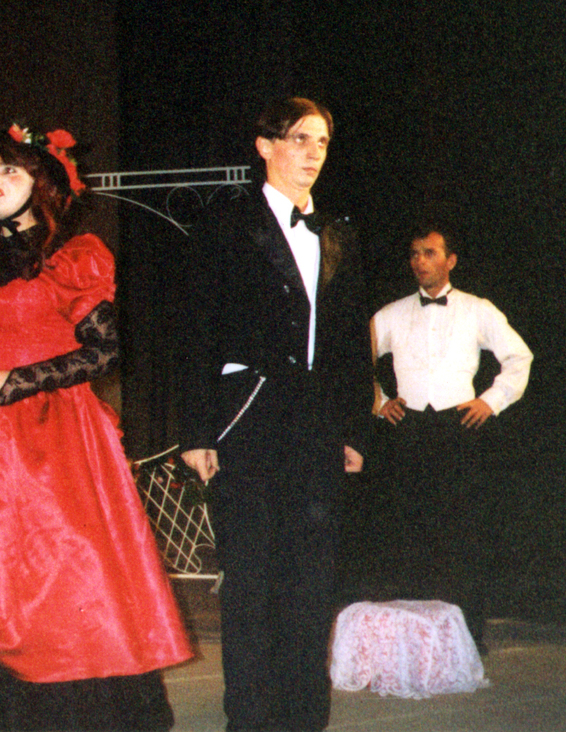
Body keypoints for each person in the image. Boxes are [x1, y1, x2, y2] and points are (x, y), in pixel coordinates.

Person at [0, 124, 193, 731]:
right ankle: (3, 709)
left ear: (43, 185)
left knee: (59, 569)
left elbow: (105, 351)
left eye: (9, 171)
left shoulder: (71, 259)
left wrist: (20, 380)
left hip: (53, 436)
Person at [177, 97, 373, 731]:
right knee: (252, 580)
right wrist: (197, 431)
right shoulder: (225, 223)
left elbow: (351, 340)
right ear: (265, 146)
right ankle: (251, 720)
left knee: (311, 580)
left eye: (322, 142)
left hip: (316, 422)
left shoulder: (338, 232)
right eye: (300, 139)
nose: (314, 153)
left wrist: (354, 428)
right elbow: (195, 329)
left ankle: (303, 718)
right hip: (250, 416)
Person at [371, 225, 532, 651]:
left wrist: (491, 401)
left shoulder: (477, 310)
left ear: (451, 260)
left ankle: (466, 642)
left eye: (429, 252)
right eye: (414, 253)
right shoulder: (390, 314)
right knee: (409, 535)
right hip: (408, 431)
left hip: (459, 429)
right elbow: (354, 357)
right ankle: (413, 644)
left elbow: (519, 356)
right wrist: (378, 400)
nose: (419, 261)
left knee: (463, 536)